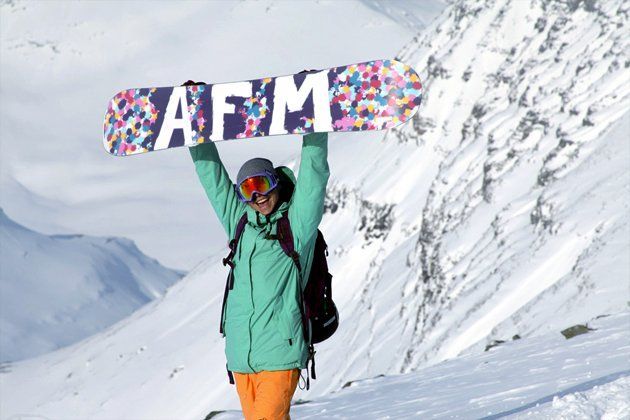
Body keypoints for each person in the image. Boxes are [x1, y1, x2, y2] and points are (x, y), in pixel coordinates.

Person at [189, 132, 329, 420]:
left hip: (280, 351)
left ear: (275, 182)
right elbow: (213, 179)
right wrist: (197, 133)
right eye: (247, 190)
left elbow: (313, 179)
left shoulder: (297, 227)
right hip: (242, 357)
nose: (257, 196)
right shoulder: (240, 224)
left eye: (262, 184)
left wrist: (316, 129)